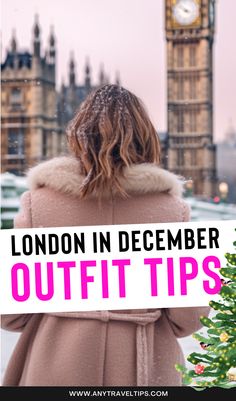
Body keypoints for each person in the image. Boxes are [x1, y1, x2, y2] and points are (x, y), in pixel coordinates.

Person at [1, 84, 209, 386]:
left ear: (79, 135)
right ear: (145, 137)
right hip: (142, 370)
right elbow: (189, 319)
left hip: (56, 369)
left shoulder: (38, 206)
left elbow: (10, 316)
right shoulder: (171, 213)